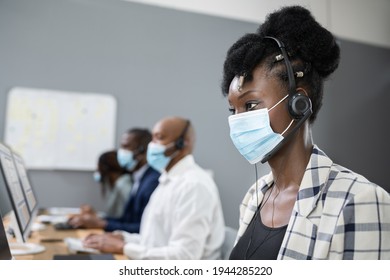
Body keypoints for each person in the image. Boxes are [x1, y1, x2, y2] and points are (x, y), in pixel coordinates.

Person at [221, 6, 390, 260]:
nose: (238, 120)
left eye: (251, 105)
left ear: (298, 103)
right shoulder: (254, 196)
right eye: (233, 109)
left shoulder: (359, 200)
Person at [82, 117, 226, 259]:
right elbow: (155, 241)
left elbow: (185, 256)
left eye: (160, 138)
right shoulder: (167, 180)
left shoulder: (193, 185)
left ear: (183, 144)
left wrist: (123, 247)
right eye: (152, 138)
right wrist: (124, 238)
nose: (152, 145)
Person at [68, 128, 160, 233]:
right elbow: (127, 220)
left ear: (142, 151)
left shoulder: (152, 182)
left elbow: (144, 228)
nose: (121, 152)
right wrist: (98, 220)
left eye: (126, 147)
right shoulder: (139, 178)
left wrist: (102, 223)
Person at [84, 150, 132, 218]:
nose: (97, 170)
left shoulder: (123, 184)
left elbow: (128, 217)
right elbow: (112, 215)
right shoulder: (116, 184)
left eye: (99, 168)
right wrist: (95, 215)